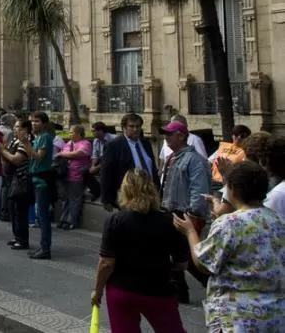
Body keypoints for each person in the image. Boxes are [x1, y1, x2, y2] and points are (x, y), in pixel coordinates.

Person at [174, 161, 285, 332]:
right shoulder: (277, 220)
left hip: (238, 318)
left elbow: (204, 263)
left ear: (232, 190)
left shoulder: (230, 223)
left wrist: (190, 232)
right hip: (275, 317)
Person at [92, 170, 187, 332]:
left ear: (125, 191)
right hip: (158, 291)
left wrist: (98, 290)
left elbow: (106, 263)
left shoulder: (115, 221)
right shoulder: (169, 221)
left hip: (122, 290)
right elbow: (182, 264)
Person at [159, 119, 210, 302]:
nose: (166, 138)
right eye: (165, 134)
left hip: (184, 213)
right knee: (173, 253)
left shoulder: (194, 159)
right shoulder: (173, 157)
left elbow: (199, 189)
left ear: (181, 135)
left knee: (187, 256)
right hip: (169, 209)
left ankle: (210, 282)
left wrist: (192, 215)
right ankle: (179, 291)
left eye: (169, 134)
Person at [100, 113, 159, 209]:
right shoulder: (114, 145)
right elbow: (106, 172)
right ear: (124, 127)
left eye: (138, 126)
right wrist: (106, 199)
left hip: (150, 193)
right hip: (129, 195)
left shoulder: (145, 143)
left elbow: (152, 167)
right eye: (131, 126)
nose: (135, 129)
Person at [21, 111, 55, 259]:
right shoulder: (38, 138)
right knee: (40, 215)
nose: (34, 124)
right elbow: (31, 155)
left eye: (37, 121)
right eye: (32, 121)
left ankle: (45, 248)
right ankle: (43, 246)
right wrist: (26, 144)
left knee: (43, 216)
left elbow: (39, 157)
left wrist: (27, 143)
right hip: (35, 178)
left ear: (44, 123)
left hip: (42, 181)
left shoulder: (46, 137)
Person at [2, 118, 33, 250]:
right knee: (13, 210)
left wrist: (2, 151)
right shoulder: (15, 141)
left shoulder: (25, 142)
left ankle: (22, 240)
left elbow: (17, 160)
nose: (15, 130)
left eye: (18, 127)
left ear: (25, 129)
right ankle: (17, 236)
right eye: (14, 127)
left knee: (20, 211)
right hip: (12, 179)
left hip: (21, 179)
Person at [56, 125, 92, 230]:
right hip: (65, 175)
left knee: (75, 199)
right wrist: (64, 154)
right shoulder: (68, 143)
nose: (70, 134)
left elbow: (79, 153)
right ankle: (63, 219)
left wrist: (64, 154)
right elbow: (62, 154)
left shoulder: (86, 143)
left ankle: (71, 221)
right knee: (65, 199)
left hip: (77, 176)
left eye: (72, 132)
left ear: (78, 134)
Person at [85, 121, 113, 199]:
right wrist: (93, 166)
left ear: (100, 131)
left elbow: (110, 159)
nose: (92, 133)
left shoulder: (112, 139)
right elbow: (94, 155)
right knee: (84, 171)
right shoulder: (96, 140)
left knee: (104, 170)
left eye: (94, 131)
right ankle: (96, 191)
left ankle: (107, 195)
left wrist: (97, 167)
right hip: (101, 161)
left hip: (111, 163)